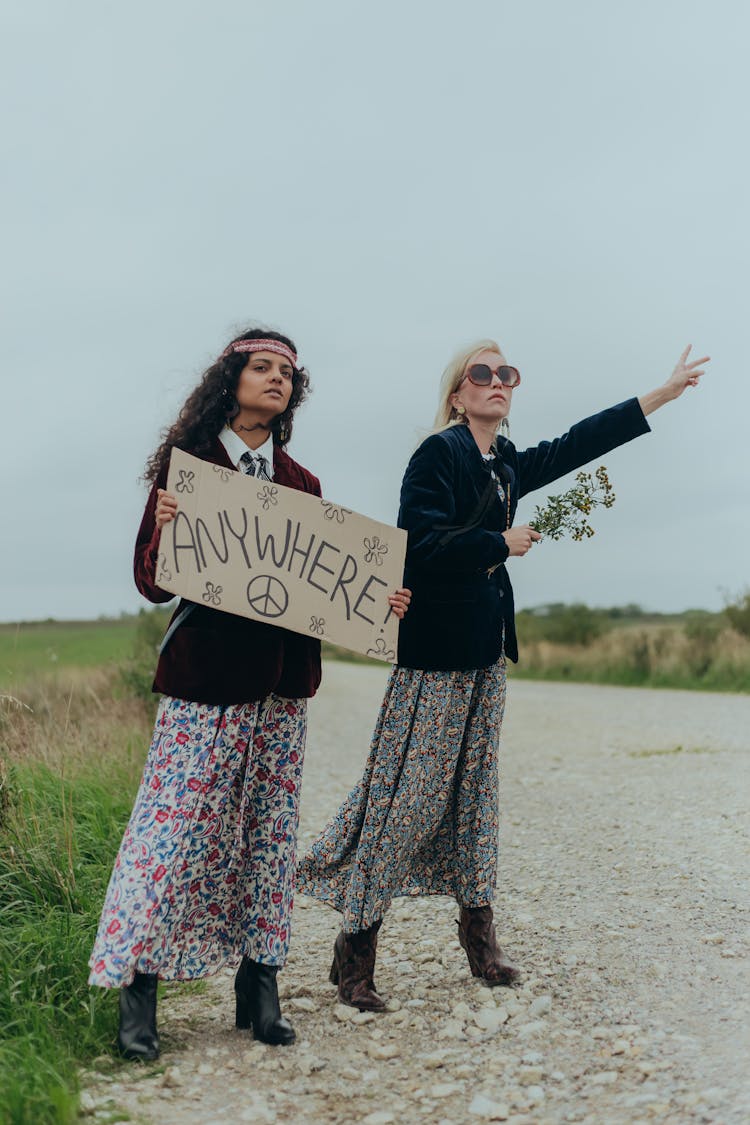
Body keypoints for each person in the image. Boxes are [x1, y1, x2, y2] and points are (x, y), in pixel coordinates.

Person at [296, 340, 710, 1011]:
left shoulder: (506, 462)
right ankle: (356, 948)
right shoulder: (438, 453)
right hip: (434, 657)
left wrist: (658, 395)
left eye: (505, 374)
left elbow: (579, 442)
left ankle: (479, 936)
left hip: (486, 652)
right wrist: (499, 543)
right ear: (458, 392)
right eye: (481, 374)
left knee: (477, 795)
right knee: (408, 799)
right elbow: (419, 545)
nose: (496, 382)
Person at [88, 326, 410, 1059]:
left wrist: (377, 603)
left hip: (282, 689)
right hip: (204, 684)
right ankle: (140, 990)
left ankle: (258, 985)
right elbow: (150, 581)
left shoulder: (303, 486)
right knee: (173, 835)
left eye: (287, 374)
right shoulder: (191, 468)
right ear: (230, 379)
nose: (276, 380)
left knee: (268, 836)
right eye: (261, 368)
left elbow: (326, 586)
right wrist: (164, 534)